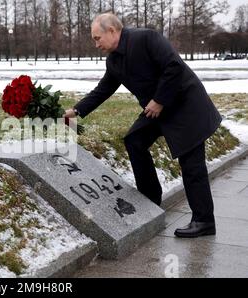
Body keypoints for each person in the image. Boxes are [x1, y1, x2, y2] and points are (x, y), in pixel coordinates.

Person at [64, 13, 222, 238]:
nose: (95, 43)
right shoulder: (114, 59)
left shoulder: (146, 38)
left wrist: (158, 100)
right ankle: (151, 201)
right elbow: (104, 88)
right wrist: (77, 111)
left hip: (185, 105)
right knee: (135, 140)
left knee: (192, 165)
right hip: (158, 109)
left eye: (97, 38)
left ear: (112, 31)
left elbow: (174, 67)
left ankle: (204, 220)